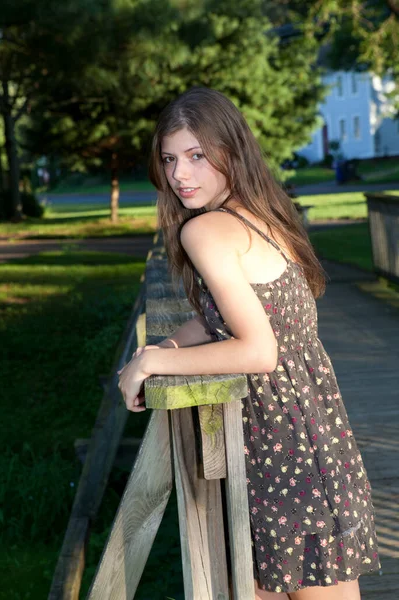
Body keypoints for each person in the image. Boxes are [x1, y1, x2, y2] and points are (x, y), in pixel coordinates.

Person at [117, 87, 380, 599]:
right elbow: (227, 319)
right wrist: (169, 349)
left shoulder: (207, 231)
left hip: (280, 451)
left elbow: (259, 349)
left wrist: (150, 360)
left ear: (230, 151)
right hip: (310, 437)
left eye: (196, 156)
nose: (179, 175)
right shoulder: (260, 212)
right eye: (169, 159)